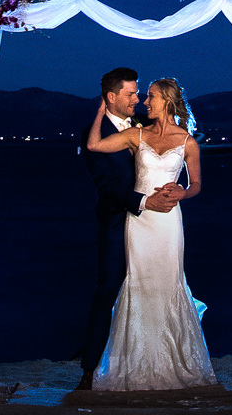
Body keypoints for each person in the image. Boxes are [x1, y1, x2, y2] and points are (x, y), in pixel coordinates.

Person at [82, 76, 216, 392]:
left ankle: (173, 361)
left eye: (150, 96)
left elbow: (196, 184)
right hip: (138, 221)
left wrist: (183, 192)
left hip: (169, 223)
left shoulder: (188, 142)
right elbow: (93, 145)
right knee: (138, 285)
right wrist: (101, 111)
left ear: (166, 101)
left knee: (169, 283)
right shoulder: (135, 134)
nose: (144, 101)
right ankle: (134, 363)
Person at [77, 68, 182, 390]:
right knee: (108, 290)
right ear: (112, 97)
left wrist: (175, 190)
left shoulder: (144, 127)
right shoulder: (94, 133)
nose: (137, 99)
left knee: (153, 290)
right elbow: (107, 187)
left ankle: (151, 362)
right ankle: (90, 369)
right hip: (117, 224)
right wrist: (143, 202)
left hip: (154, 227)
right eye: (130, 95)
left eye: (139, 94)